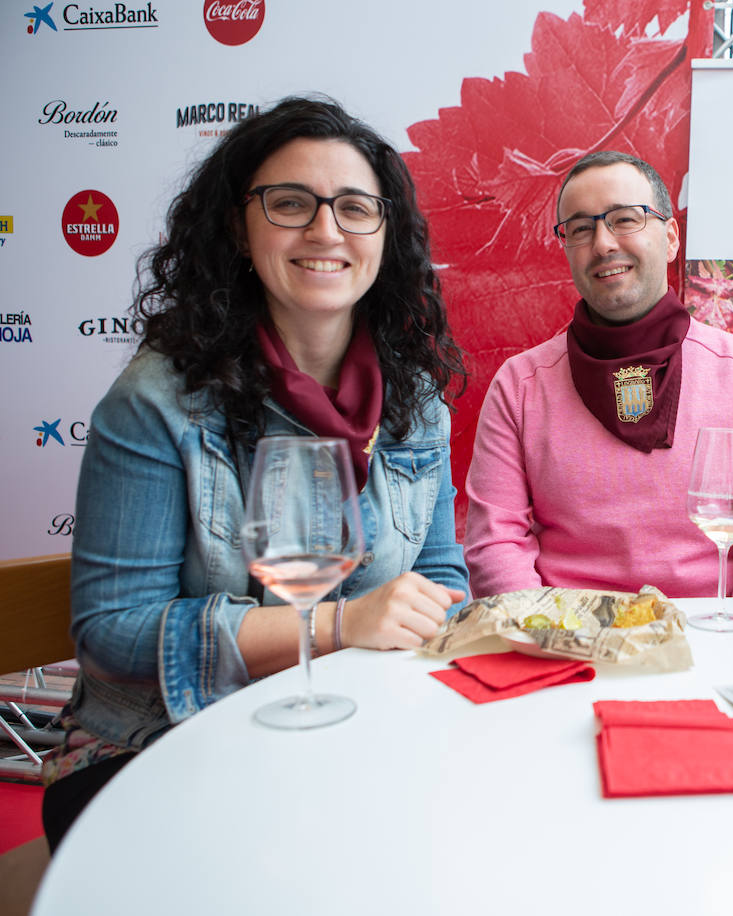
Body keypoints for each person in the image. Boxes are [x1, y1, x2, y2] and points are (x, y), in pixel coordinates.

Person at [42, 97, 470, 849]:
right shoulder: (158, 402)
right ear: (240, 229)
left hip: (349, 732)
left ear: (385, 232)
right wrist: (343, 625)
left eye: (354, 208)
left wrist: (430, 619)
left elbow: (442, 574)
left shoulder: (416, 403)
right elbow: (112, 634)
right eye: (290, 204)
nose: (326, 230)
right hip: (153, 747)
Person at [464, 150, 733, 598]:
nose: (603, 243)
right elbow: (496, 546)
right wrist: (546, 640)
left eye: (625, 219)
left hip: (711, 645)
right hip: (568, 644)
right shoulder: (521, 386)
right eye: (581, 228)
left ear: (670, 238)